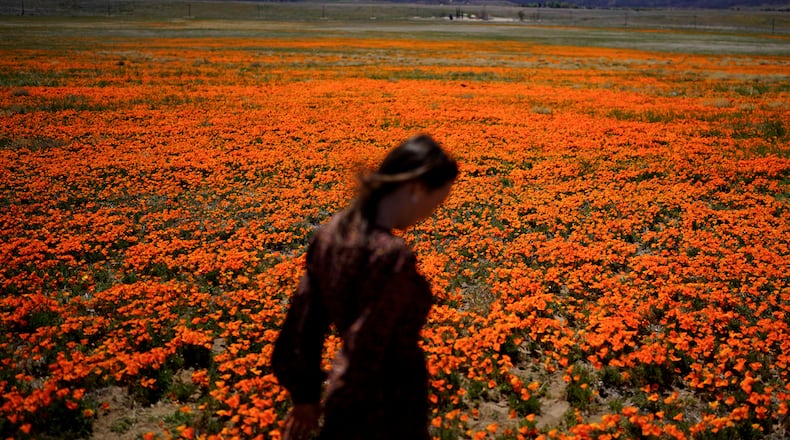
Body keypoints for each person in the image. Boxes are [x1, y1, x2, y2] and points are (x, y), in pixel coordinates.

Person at [271, 134, 459, 440]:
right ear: (415, 189)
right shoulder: (391, 255)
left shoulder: (331, 233)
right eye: (435, 204)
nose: (429, 215)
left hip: (350, 404)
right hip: (388, 407)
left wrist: (305, 397)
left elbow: (303, 325)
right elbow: (363, 349)